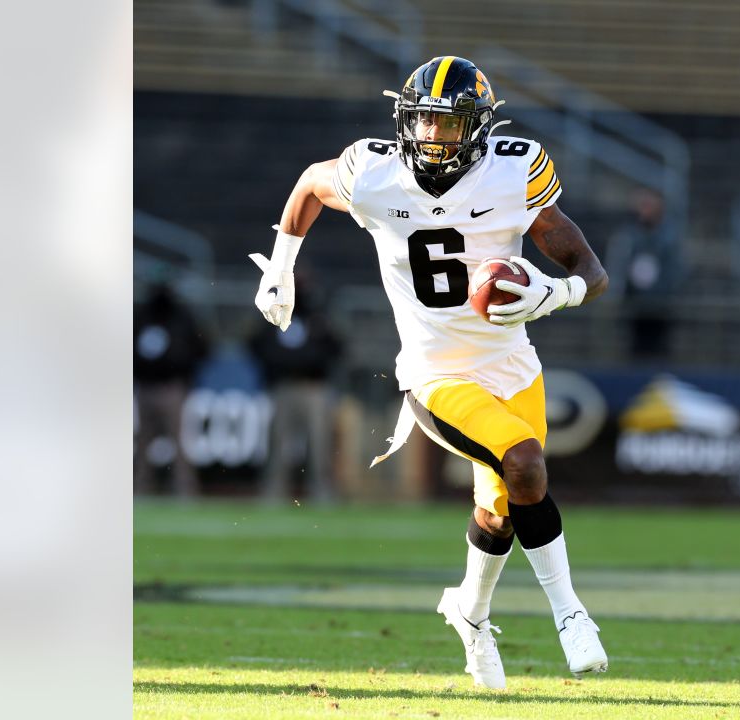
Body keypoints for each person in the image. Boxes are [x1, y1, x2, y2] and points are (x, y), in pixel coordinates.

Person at [249, 56, 610, 689]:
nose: (431, 138)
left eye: (447, 126)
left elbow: (589, 266)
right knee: (524, 462)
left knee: (500, 509)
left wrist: (554, 294)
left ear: (478, 129)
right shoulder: (375, 173)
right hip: (435, 373)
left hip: (513, 367)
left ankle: (469, 615)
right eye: (421, 123)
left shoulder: (513, 171)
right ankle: (570, 612)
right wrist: (279, 266)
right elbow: (310, 183)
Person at [248, 271, 343, 504]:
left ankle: (321, 491)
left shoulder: (318, 318)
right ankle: (274, 491)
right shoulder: (273, 314)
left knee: (319, 442)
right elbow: (256, 343)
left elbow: (337, 347)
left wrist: (312, 361)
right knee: (278, 442)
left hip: (313, 387)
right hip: (284, 386)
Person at [134, 280, 208, 497]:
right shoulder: (141, 316)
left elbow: (201, 347)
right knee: (142, 442)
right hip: (146, 387)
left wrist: (184, 373)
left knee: (179, 440)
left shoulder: (182, 317)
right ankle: (140, 489)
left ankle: (185, 490)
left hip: (171, 387)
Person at [603, 187, 684, 357]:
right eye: (643, 205)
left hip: (661, 306)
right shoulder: (628, 236)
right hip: (634, 304)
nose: (645, 210)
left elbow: (676, 269)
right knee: (635, 349)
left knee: (660, 350)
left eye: (649, 205)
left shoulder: (670, 236)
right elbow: (618, 265)